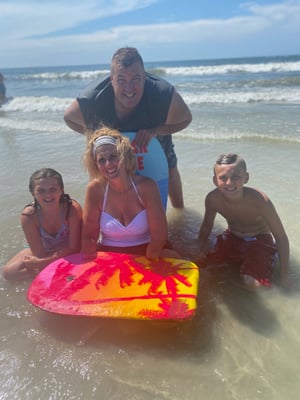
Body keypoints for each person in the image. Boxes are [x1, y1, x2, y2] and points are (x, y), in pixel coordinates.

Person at [64, 47, 192, 209]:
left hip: (152, 132)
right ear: (112, 79)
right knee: (99, 171)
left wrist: (157, 131)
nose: (129, 87)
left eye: (136, 79)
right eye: (122, 79)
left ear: (144, 77)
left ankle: (180, 212)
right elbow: (68, 118)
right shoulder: (92, 98)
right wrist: (96, 136)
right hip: (111, 131)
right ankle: (100, 217)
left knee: (170, 166)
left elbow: (186, 119)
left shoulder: (162, 92)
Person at [81, 126, 180, 259]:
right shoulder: (95, 190)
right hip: (110, 254)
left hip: (148, 251)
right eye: (101, 160)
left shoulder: (147, 186)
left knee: (182, 261)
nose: (108, 164)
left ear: (124, 155)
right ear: (96, 165)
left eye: (113, 156)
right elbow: (89, 237)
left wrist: (146, 264)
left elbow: (159, 236)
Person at [197, 153, 289, 289]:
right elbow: (206, 226)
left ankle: (268, 258)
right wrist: (199, 248)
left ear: (246, 178)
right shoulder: (212, 199)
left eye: (236, 177)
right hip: (232, 236)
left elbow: (281, 237)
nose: (229, 183)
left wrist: (284, 276)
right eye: (223, 178)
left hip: (259, 240)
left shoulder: (260, 201)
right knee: (206, 269)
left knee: (252, 285)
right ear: (215, 180)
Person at [2, 168, 82, 281]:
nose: (48, 195)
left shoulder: (71, 209)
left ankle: (56, 269)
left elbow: (75, 248)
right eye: (41, 191)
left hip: (69, 250)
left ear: (61, 190)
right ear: (33, 193)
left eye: (53, 189)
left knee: (77, 262)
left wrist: (41, 263)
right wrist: (39, 262)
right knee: (9, 273)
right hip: (46, 250)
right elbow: (39, 253)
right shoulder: (29, 216)